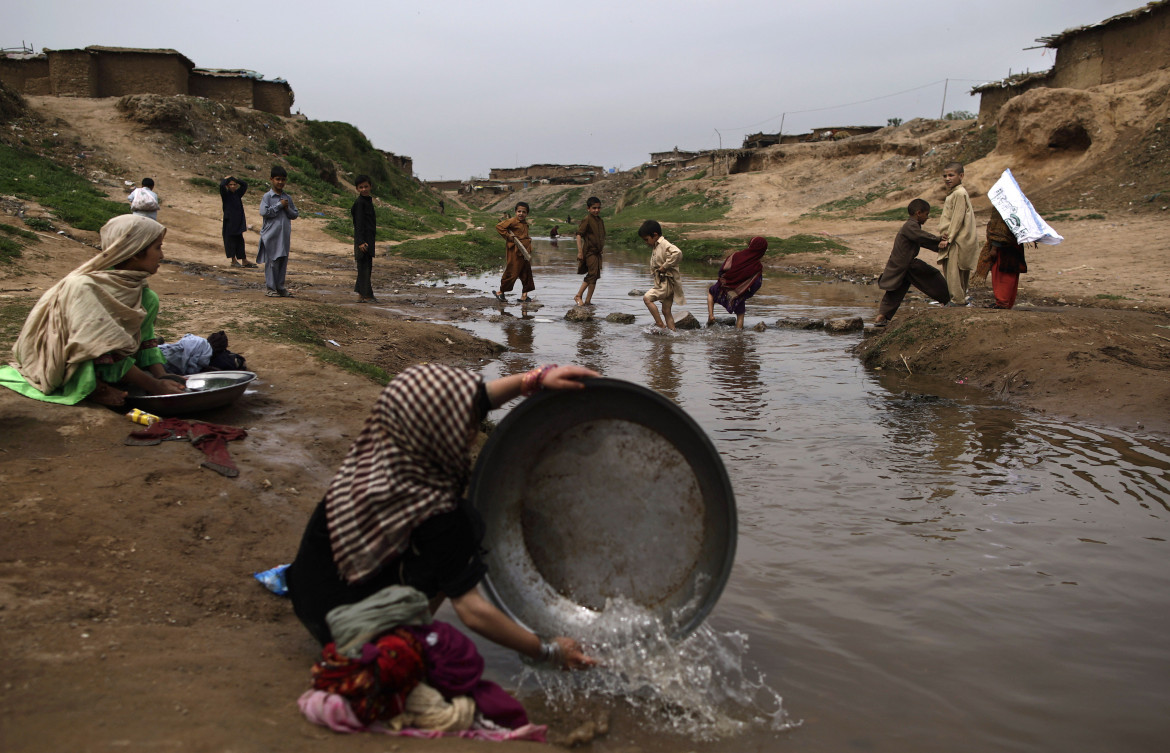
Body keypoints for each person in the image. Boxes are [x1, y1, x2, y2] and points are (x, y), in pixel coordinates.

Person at [285, 362, 599, 671]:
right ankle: (403, 629)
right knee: (466, 543)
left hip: (311, 601)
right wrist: (548, 651)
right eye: (469, 421)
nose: (474, 424)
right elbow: (473, 612)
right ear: (450, 434)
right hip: (348, 632)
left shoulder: (372, 459)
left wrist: (535, 378)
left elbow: (477, 398)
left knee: (443, 548)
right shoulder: (440, 515)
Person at [0, 214, 186, 406]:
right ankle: (95, 387)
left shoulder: (144, 295)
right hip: (67, 361)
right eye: (158, 248)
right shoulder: (84, 287)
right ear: (135, 251)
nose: (162, 256)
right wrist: (155, 386)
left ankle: (111, 378)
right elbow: (96, 347)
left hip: (113, 362)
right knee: (92, 343)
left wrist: (161, 375)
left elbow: (146, 339)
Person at [873, 199, 951, 327]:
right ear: (918, 213)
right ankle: (948, 300)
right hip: (908, 264)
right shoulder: (911, 226)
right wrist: (939, 240)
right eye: (926, 214)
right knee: (932, 276)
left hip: (899, 265)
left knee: (896, 290)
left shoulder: (910, 226)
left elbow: (922, 240)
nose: (927, 217)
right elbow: (922, 237)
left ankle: (882, 317)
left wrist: (938, 245)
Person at [936, 162, 977, 305]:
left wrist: (948, 238)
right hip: (958, 238)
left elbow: (957, 218)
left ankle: (957, 300)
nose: (947, 178)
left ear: (961, 176)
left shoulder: (959, 193)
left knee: (953, 271)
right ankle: (960, 298)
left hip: (956, 239)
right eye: (945, 176)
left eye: (951, 175)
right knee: (959, 271)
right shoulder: (956, 193)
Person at [707, 236, 768, 329]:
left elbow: (723, 268)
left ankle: (711, 315)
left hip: (723, 286)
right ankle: (738, 335)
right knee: (740, 314)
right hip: (737, 294)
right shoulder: (757, 267)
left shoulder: (736, 255)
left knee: (711, 293)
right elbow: (757, 284)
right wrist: (747, 294)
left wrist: (721, 279)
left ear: (750, 245)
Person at [257, 165, 299, 298]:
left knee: (282, 260)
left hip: (284, 236)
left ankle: (280, 287)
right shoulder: (267, 197)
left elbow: (295, 214)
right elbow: (264, 212)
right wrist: (279, 205)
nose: (280, 182)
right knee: (272, 262)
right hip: (271, 235)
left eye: (283, 180)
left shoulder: (288, 198)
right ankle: (271, 288)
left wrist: (286, 208)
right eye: (278, 179)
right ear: (271, 179)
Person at [975, 209, 1028, 309]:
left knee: (1002, 274)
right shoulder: (1017, 206)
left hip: (1003, 249)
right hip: (1015, 245)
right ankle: (1007, 302)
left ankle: (1002, 302)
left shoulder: (1001, 206)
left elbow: (999, 230)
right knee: (1011, 274)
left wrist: (994, 247)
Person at [639, 220, 685, 331]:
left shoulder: (664, 244)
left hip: (666, 283)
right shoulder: (656, 245)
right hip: (666, 283)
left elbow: (677, 253)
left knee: (647, 299)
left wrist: (665, 266)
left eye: (646, 239)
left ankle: (660, 324)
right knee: (666, 311)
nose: (646, 242)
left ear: (655, 235)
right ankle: (672, 334)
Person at [493, 201, 534, 304]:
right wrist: (508, 236)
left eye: (524, 212)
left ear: (527, 214)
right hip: (515, 251)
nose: (521, 214)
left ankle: (524, 296)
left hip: (524, 252)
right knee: (512, 271)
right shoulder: (512, 221)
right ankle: (500, 292)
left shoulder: (525, 224)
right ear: (515, 212)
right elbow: (499, 227)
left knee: (526, 273)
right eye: (519, 211)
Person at [350, 175, 378, 303]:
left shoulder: (367, 201)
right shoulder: (360, 203)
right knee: (364, 267)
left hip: (368, 239)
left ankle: (362, 294)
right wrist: (361, 241)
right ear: (357, 189)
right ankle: (367, 295)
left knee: (365, 266)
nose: (364, 189)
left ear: (370, 186)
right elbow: (358, 224)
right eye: (361, 187)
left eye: (366, 186)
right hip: (363, 241)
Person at [574, 197, 605, 306]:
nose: (596, 210)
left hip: (597, 253)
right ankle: (578, 295)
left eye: (598, 208)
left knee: (595, 276)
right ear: (588, 208)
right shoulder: (587, 219)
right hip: (589, 252)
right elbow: (578, 235)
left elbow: (600, 236)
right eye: (594, 208)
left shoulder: (600, 221)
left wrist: (601, 249)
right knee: (592, 274)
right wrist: (580, 252)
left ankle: (588, 301)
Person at [219, 176, 255, 268]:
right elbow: (221, 186)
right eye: (230, 185)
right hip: (229, 221)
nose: (233, 186)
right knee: (230, 241)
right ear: (227, 186)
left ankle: (244, 260)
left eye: (234, 184)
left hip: (238, 221)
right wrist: (227, 179)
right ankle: (233, 260)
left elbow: (245, 185)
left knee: (240, 241)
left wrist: (235, 179)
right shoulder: (225, 195)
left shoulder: (238, 194)